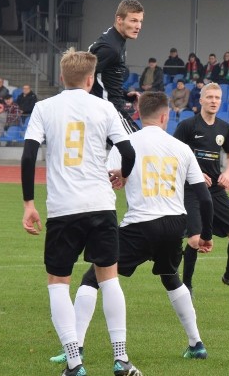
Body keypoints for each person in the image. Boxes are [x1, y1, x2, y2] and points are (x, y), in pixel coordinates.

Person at [20, 49, 142, 376]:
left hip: (62, 209)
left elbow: (29, 155)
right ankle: (120, 358)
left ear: (62, 77)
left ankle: (74, 362)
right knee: (109, 278)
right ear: (91, 80)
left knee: (58, 282)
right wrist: (123, 174)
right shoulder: (105, 107)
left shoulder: (44, 108)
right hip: (101, 205)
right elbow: (128, 150)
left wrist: (29, 203)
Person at [73, 92, 214, 363]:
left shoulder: (126, 144)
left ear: (137, 113)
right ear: (165, 116)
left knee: (93, 278)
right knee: (171, 276)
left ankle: (76, 346)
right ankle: (196, 343)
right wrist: (206, 235)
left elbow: (104, 180)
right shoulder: (181, 148)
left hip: (139, 223)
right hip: (175, 224)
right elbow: (205, 198)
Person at [175, 83, 229, 297]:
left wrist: (228, 173)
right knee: (195, 240)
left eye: (217, 97)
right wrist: (194, 173)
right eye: (210, 97)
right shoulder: (188, 126)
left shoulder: (223, 127)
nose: (214, 101)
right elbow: (173, 156)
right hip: (192, 189)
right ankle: (186, 285)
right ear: (201, 100)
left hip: (215, 189)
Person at [88, 0, 144, 134]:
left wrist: (125, 95)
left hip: (111, 105)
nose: (138, 26)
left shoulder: (114, 37)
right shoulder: (111, 48)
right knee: (138, 146)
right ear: (119, 20)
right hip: (109, 111)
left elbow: (104, 78)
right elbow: (84, 76)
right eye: (133, 21)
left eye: (140, 21)